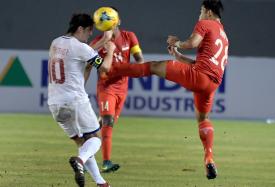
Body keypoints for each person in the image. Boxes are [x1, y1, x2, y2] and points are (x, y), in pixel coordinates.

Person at [107, 0, 228, 179]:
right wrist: (179, 57)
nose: (199, 15)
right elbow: (201, 63)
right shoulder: (223, 35)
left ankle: (112, 69)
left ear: (209, 12)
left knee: (154, 66)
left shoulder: (205, 23)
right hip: (212, 83)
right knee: (203, 119)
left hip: (199, 76)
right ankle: (209, 156)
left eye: (201, 11)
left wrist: (177, 43)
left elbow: (192, 42)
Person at [47, 13, 115, 187]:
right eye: (88, 31)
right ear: (80, 29)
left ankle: (101, 183)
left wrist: (102, 41)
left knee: (82, 143)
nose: (90, 35)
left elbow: (83, 51)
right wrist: (111, 50)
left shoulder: (56, 42)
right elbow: (106, 67)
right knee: (96, 138)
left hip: (55, 103)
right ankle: (79, 160)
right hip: (75, 100)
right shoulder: (82, 48)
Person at [88, 7, 144, 173]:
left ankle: (85, 155)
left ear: (118, 21)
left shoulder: (129, 37)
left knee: (102, 126)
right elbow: (92, 60)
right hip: (106, 87)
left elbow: (140, 60)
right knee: (108, 122)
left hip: (122, 88)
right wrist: (103, 46)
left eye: (112, 19)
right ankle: (106, 162)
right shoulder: (98, 43)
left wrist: (132, 69)